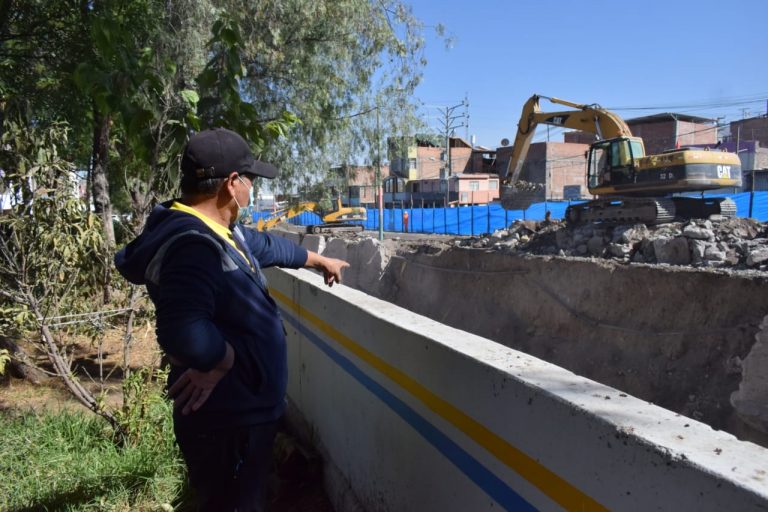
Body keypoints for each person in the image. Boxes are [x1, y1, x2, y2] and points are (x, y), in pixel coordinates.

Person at [114, 128, 349, 511]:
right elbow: (184, 331)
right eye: (250, 180)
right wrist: (223, 359)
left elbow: (267, 245)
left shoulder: (221, 230)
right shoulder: (192, 245)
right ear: (231, 183)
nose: (253, 190)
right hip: (226, 422)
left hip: (243, 414)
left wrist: (319, 260)